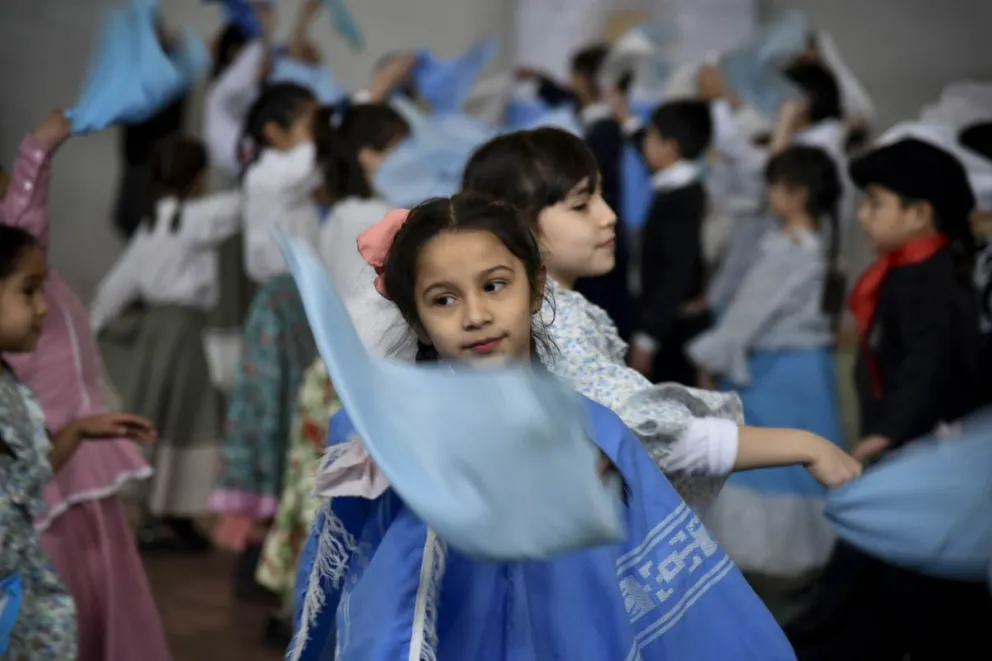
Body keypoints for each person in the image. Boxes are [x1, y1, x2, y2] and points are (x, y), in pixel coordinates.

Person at [295, 193, 798, 660]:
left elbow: (660, 575)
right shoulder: (386, 431)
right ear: (418, 319)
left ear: (535, 288)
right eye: (443, 299)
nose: (475, 315)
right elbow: (358, 576)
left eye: (495, 286)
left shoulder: (597, 428)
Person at [460, 127, 859, 512]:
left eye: (602, 196)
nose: (608, 216)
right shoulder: (553, 315)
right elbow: (645, 429)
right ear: (517, 226)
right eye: (582, 205)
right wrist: (805, 444)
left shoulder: (541, 306)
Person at [786, 138, 992, 660]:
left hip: (927, 450)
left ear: (921, 213)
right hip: (906, 445)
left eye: (876, 202)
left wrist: (887, 432)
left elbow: (926, 367)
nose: (861, 215)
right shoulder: (906, 269)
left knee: (908, 577)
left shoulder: (932, 279)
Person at [1, 112, 168, 660]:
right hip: (30, 539)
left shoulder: (15, 390)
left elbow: (33, 466)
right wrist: (37, 150)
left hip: (69, 455)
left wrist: (82, 427)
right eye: (28, 293)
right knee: (67, 578)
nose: (42, 305)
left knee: (96, 583)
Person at [688, 145, 847, 577]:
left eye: (775, 186)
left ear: (797, 194)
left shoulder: (791, 249)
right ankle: (798, 554)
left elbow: (750, 313)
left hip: (777, 371)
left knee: (765, 457)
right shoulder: (808, 244)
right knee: (797, 460)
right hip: (802, 370)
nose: (769, 195)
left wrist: (709, 354)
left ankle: (770, 556)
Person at [91, 135, 241, 552]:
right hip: (181, 334)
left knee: (165, 418)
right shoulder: (195, 218)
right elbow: (241, 205)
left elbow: (117, 285)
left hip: (159, 330)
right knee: (183, 420)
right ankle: (163, 514)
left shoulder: (155, 221)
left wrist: (92, 324)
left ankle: (169, 513)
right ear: (198, 178)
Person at [517, 44, 634, 339]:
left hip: (596, 247)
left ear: (582, 80)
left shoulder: (604, 130)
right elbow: (564, 95)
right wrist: (540, 78)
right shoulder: (595, 119)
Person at [621, 100, 715, 384]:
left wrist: (648, 338)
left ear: (670, 147)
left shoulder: (680, 201)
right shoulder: (677, 183)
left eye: (652, 136)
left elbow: (677, 274)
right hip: (669, 322)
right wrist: (627, 120)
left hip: (673, 329)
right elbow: (644, 144)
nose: (645, 143)